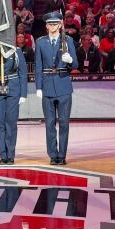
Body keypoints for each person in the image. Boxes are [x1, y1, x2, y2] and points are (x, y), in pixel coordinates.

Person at [35, 12, 78, 165]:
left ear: (60, 25)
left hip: (63, 85)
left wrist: (70, 60)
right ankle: (53, 155)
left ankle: (62, 155)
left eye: (55, 24)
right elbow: (38, 66)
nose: (52, 26)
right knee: (49, 123)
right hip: (47, 86)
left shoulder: (68, 40)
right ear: (46, 26)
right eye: (50, 24)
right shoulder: (40, 42)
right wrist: (38, 87)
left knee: (64, 123)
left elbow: (76, 65)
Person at [0, 42, 27, 164]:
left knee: (11, 123)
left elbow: (23, 73)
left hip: (13, 89)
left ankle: (10, 154)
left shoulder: (16, 51)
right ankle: (3, 154)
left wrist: (23, 93)